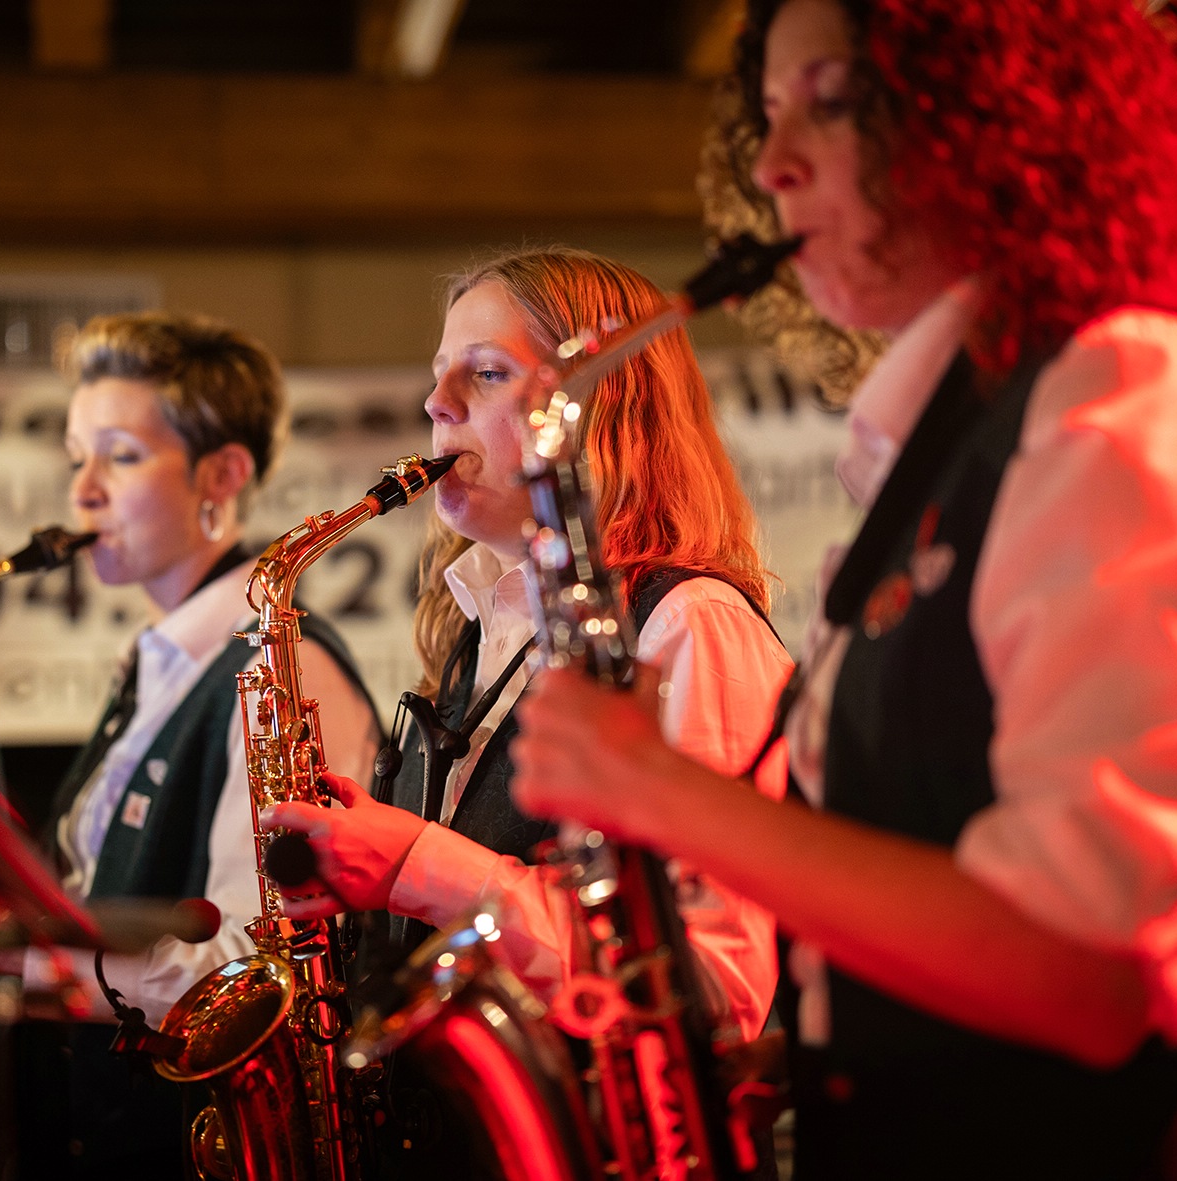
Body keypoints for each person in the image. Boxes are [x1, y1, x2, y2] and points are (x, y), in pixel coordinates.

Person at [510, 2, 1177, 1178]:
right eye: (768, 115)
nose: (771, 166)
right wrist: (815, 1044)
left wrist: (655, 788)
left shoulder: (1119, 388)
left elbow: (1084, 969)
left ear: (997, 118)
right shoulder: (958, 425)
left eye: (832, 103)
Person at [264, 248, 793, 1163]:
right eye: (440, 374)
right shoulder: (481, 633)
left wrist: (419, 863)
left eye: (486, 373)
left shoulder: (689, 624)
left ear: (596, 407)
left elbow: (716, 988)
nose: (436, 404)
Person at [0, 311, 381, 1179]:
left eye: (122, 455)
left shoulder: (282, 668)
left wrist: (11, 950)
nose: (83, 493)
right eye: (78, 457)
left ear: (222, 474)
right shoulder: (158, 663)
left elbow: (255, 970)